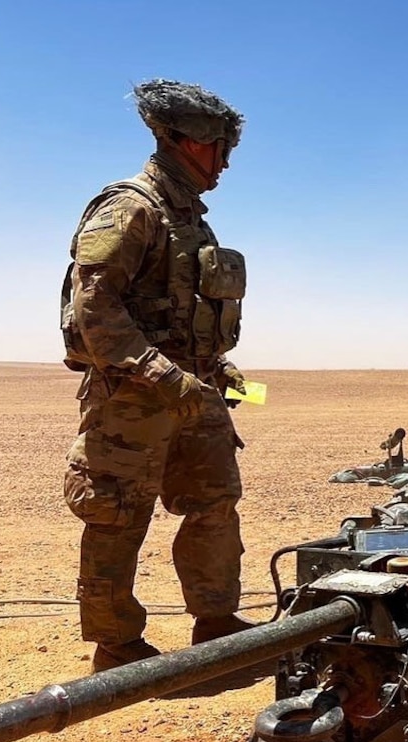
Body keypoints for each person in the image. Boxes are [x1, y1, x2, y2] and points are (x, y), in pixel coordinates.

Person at [61, 80, 255, 672]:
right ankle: (115, 645)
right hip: (133, 399)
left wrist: (216, 366)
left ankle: (216, 621)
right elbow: (96, 313)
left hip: (194, 394)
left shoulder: (192, 220)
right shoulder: (130, 207)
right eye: (218, 145)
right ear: (181, 140)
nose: (225, 160)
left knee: (215, 505)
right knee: (117, 517)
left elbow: (178, 311)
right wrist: (168, 379)